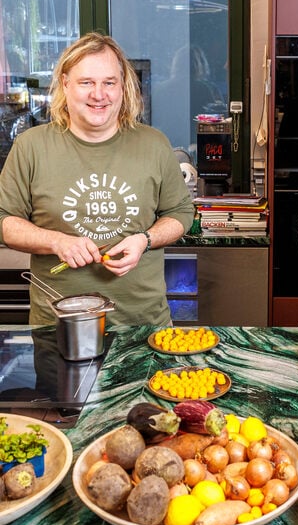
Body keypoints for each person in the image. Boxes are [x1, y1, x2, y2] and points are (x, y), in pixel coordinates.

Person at [0, 32, 195, 326]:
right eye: (86, 82)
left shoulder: (153, 144)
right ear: (65, 84)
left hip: (141, 325)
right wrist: (56, 241)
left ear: (122, 86)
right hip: (59, 327)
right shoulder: (31, 147)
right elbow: (5, 221)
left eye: (109, 82)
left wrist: (145, 239)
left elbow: (181, 213)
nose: (99, 94)